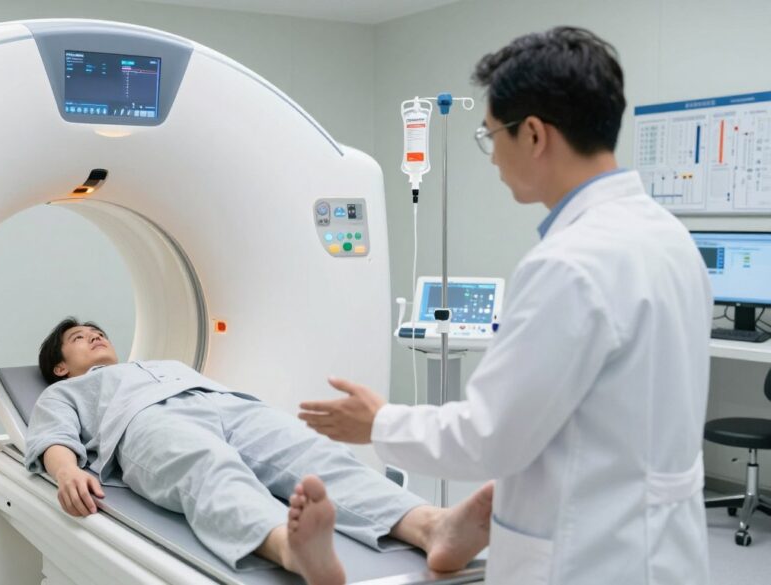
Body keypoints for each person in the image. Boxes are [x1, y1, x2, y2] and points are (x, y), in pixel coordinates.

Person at [298, 26, 712, 585]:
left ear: (535, 134)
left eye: (491, 134)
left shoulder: (568, 265)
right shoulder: (668, 237)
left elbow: (489, 436)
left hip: (585, 559)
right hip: (661, 548)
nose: (491, 155)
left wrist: (379, 423)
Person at [25, 317, 493, 585]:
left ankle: (432, 526)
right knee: (208, 468)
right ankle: (292, 548)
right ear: (61, 366)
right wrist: (67, 473)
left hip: (229, 406)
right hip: (143, 424)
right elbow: (53, 440)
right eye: (79, 337)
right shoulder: (66, 393)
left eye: (98, 330)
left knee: (314, 454)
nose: (94, 335)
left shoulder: (162, 363)